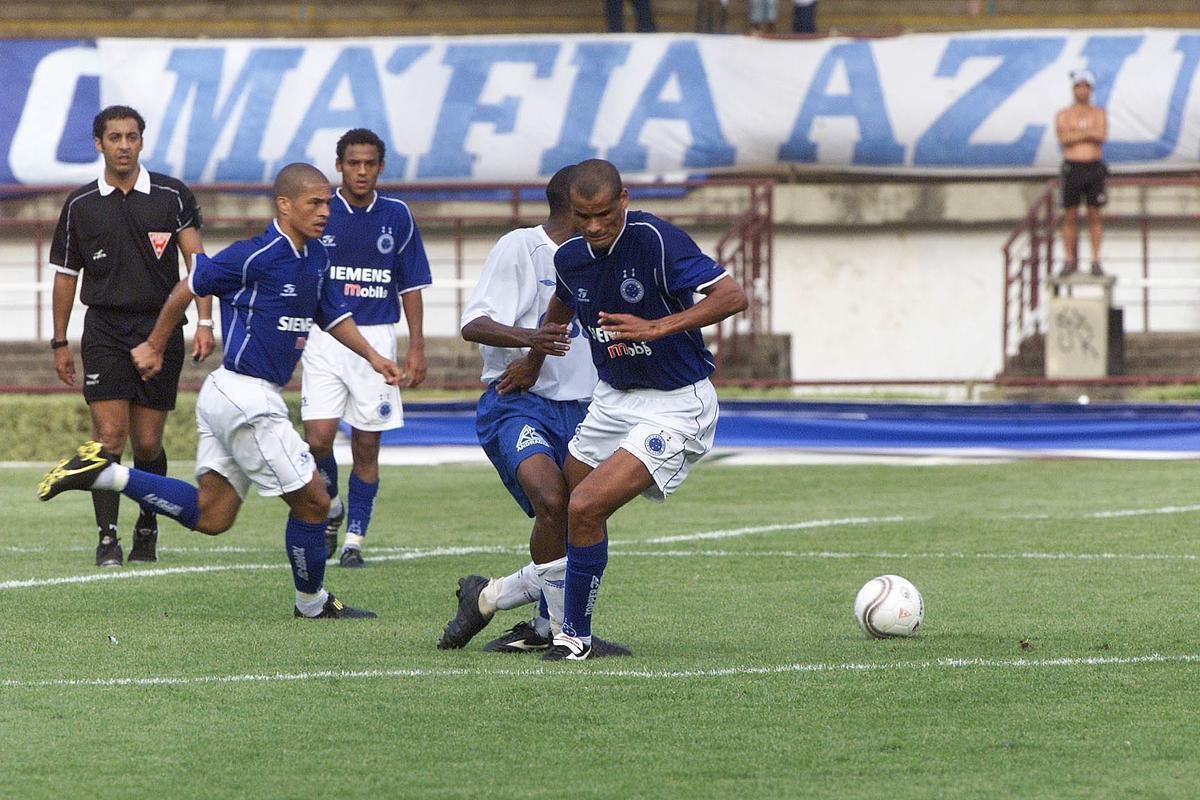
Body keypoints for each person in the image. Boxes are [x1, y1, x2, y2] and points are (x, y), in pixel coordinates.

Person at [38, 163, 401, 619]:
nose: (325, 210)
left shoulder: (316, 258)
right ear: (285, 205)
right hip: (246, 397)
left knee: (213, 516)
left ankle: (103, 475)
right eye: (315, 202)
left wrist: (373, 356)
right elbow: (189, 284)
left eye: (328, 201)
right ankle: (312, 604)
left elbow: (332, 315)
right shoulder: (256, 253)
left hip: (231, 396)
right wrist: (155, 343)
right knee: (315, 503)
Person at [536, 159, 748, 661]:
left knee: (587, 507)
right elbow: (563, 307)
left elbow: (732, 295)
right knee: (570, 508)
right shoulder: (570, 258)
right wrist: (532, 359)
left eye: (605, 215)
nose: (595, 227)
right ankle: (546, 618)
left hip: (676, 404)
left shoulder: (656, 239)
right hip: (612, 400)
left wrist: (658, 327)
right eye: (584, 216)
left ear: (624, 199)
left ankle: (574, 639)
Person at [436, 165, 627, 657]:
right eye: (591, 208)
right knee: (552, 501)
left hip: (588, 408)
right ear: (573, 204)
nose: (600, 220)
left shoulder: (605, 256)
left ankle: (524, 615)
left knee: (577, 515)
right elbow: (474, 322)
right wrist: (530, 341)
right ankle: (563, 629)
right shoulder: (521, 247)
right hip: (519, 403)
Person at [48, 104, 214, 568]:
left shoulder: (171, 195)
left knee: (147, 444)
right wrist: (60, 342)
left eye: (132, 137)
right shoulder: (80, 205)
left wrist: (205, 321)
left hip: (160, 330)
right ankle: (107, 539)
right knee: (109, 438)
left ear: (142, 141)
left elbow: (198, 265)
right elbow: (65, 276)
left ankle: (148, 524)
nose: (124, 145)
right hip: (103, 329)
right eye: (115, 137)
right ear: (99, 143)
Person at [300, 128, 430, 568]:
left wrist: (416, 347)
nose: (361, 171)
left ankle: (354, 538)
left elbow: (411, 285)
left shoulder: (397, 215)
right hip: (324, 338)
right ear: (339, 165)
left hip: (377, 337)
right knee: (317, 438)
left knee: (366, 444)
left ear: (380, 167)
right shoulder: (320, 212)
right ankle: (332, 506)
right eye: (352, 163)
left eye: (369, 163)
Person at [1055, 69, 1108, 277]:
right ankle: (1070, 259)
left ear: (1091, 89)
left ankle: (1095, 259)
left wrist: (1078, 133)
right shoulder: (1064, 114)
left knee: (1094, 213)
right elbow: (1064, 138)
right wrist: (1087, 133)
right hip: (1073, 167)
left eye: (1085, 86)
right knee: (1070, 214)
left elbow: (1101, 134)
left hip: (1093, 166)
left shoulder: (1098, 113)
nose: (1082, 90)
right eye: (1078, 86)